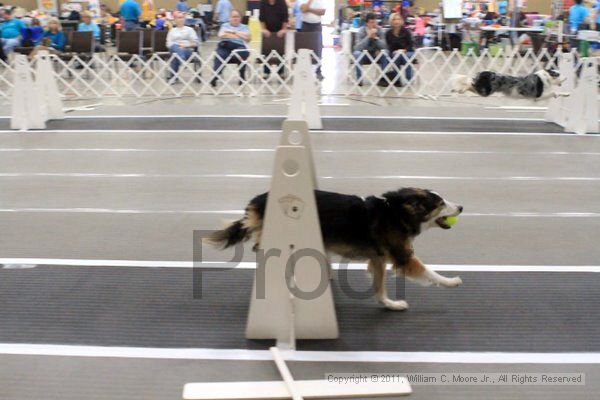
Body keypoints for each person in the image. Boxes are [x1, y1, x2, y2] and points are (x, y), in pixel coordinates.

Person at [211, 9, 250, 87]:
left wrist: (232, 32)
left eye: (237, 17)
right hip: (225, 46)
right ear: (230, 18)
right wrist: (239, 35)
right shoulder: (224, 25)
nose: (235, 18)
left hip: (239, 47)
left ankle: (242, 76)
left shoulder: (245, 26)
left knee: (243, 52)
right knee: (220, 54)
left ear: (240, 18)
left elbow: (248, 38)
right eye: (233, 17)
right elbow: (221, 35)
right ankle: (215, 76)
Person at [352, 13, 389, 87]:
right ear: (367, 23)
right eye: (371, 22)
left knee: (385, 53)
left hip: (376, 55)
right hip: (364, 55)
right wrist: (368, 37)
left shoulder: (380, 30)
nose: (374, 24)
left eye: (375, 22)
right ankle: (359, 79)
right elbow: (357, 47)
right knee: (356, 53)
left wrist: (376, 39)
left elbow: (385, 46)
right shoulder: (361, 31)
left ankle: (383, 79)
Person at [166, 11, 199, 82]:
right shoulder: (172, 31)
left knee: (176, 54)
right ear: (175, 20)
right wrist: (178, 46)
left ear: (184, 19)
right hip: (174, 50)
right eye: (178, 18)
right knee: (175, 48)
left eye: (182, 18)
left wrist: (185, 45)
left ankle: (173, 77)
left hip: (187, 50)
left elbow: (195, 43)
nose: (180, 19)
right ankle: (182, 60)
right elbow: (168, 44)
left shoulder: (190, 30)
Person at [298, 0, 326, 80]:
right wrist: (310, 2)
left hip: (317, 25)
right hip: (305, 25)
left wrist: (309, 9)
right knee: (304, 48)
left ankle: (318, 71)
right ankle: (303, 71)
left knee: (318, 48)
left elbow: (322, 12)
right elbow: (302, 9)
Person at [259, 0, 288, 78]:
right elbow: (262, 18)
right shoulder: (263, 2)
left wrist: (283, 29)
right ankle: (266, 71)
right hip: (267, 30)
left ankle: (281, 72)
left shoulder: (282, 2)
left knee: (281, 51)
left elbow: (285, 17)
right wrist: (264, 29)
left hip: (279, 30)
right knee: (266, 50)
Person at [385, 12, 414, 86]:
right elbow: (389, 46)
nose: (396, 21)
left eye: (398, 19)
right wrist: (394, 52)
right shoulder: (388, 33)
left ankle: (408, 80)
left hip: (407, 52)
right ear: (391, 21)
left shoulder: (406, 32)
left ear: (401, 21)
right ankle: (396, 80)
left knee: (407, 56)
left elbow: (411, 45)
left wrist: (404, 50)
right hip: (395, 54)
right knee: (396, 56)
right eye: (394, 19)